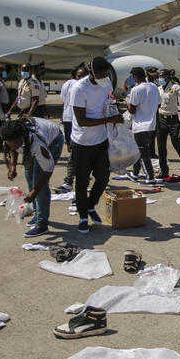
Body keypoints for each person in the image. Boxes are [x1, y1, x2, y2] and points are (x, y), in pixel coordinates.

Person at [70, 57, 123, 234]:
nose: (104, 77)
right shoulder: (79, 89)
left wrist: (115, 112)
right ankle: (83, 216)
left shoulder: (106, 81)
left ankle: (91, 205)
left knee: (103, 177)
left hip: (100, 140)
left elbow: (108, 101)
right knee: (82, 181)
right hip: (82, 142)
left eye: (106, 74)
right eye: (101, 74)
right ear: (91, 73)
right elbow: (82, 120)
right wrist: (109, 119)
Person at [1, 117, 64, 237]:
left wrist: (34, 192)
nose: (14, 147)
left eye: (16, 144)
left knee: (39, 183)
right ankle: (37, 213)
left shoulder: (37, 144)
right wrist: (12, 167)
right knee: (29, 174)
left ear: (21, 139)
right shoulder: (12, 132)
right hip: (37, 138)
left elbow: (48, 169)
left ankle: (42, 225)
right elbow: (12, 149)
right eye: (11, 144)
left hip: (54, 140)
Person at [156, 69, 180, 179]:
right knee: (161, 147)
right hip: (161, 119)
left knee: (176, 143)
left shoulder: (175, 87)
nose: (160, 78)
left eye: (162, 76)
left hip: (173, 121)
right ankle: (164, 171)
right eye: (159, 76)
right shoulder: (158, 89)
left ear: (167, 77)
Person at [57, 65, 88, 192]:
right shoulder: (71, 85)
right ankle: (70, 179)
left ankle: (73, 177)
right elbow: (65, 100)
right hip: (70, 118)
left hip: (79, 121)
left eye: (83, 75)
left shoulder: (87, 86)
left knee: (78, 151)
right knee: (72, 149)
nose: (81, 78)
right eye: (79, 76)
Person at [128, 66, 161, 183]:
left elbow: (132, 110)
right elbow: (158, 105)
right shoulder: (154, 87)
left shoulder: (136, 90)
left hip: (140, 125)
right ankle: (135, 173)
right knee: (140, 150)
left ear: (135, 77)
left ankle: (150, 177)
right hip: (152, 125)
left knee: (143, 153)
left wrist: (128, 103)